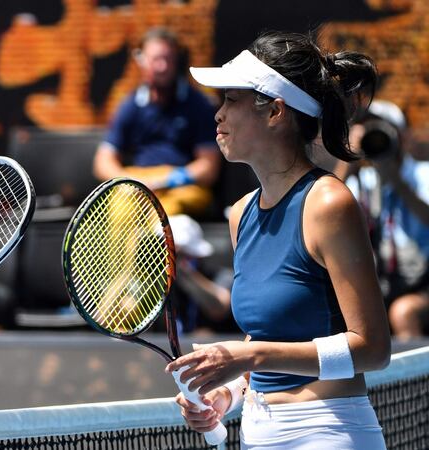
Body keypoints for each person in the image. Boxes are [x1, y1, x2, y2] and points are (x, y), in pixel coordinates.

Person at [166, 32, 391, 449]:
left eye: (231, 100)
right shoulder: (240, 215)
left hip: (330, 432)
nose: (218, 115)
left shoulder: (328, 203)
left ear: (275, 112)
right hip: (258, 432)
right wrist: (227, 392)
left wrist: (248, 357)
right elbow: (268, 335)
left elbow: (373, 348)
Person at [92, 27, 221, 217]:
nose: (162, 67)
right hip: (138, 183)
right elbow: (102, 162)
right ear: (141, 61)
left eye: (168, 59)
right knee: (120, 209)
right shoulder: (129, 104)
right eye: (155, 59)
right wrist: (131, 182)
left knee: (166, 213)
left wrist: (167, 180)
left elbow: (209, 168)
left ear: (177, 61)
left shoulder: (199, 104)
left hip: (182, 186)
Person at [338, 100, 429, 339]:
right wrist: (349, 162)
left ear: (402, 136)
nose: (377, 138)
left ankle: (416, 377)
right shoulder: (365, 181)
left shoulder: (424, 173)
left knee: (403, 312)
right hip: (383, 282)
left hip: (423, 283)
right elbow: (325, 212)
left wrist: (396, 180)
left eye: (383, 130)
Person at [166, 214, 235, 336]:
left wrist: (184, 273)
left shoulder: (223, 275)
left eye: (185, 254)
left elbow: (219, 308)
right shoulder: (152, 282)